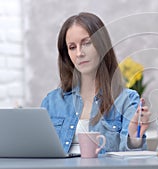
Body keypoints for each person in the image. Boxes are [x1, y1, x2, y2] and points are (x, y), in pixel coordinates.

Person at [41, 12, 151, 155]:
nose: (79, 53)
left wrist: (134, 138)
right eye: (72, 47)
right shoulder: (51, 102)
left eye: (86, 43)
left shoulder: (126, 100)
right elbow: (39, 155)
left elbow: (133, 160)